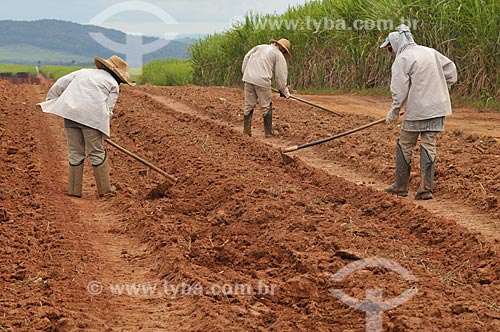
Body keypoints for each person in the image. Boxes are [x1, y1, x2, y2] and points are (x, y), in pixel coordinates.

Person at [37, 55, 135, 198]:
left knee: (75, 152)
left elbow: (60, 83)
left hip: (70, 114)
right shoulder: (113, 84)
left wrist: (51, 99)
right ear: (118, 75)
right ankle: (105, 191)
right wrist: (102, 130)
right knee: (96, 152)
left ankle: (74, 191)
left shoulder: (83, 72)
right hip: (92, 119)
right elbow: (108, 110)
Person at [380, 24, 457, 200]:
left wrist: (394, 110)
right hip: (438, 108)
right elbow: (451, 72)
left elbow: (399, 90)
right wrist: (441, 90)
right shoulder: (430, 52)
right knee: (429, 144)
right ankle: (426, 189)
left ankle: (400, 187)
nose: (390, 53)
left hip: (417, 111)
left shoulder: (403, 59)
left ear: (395, 45)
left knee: (405, 143)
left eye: (390, 49)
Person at [241, 38, 291, 137]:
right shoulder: (278, 54)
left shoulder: (259, 47)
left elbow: (246, 58)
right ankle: (268, 132)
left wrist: (246, 74)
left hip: (248, 78)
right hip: (262, 80)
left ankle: (246, 131)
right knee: (266, 106)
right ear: (282, 49)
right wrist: (284, 91)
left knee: (248, 105)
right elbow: (281, 75)